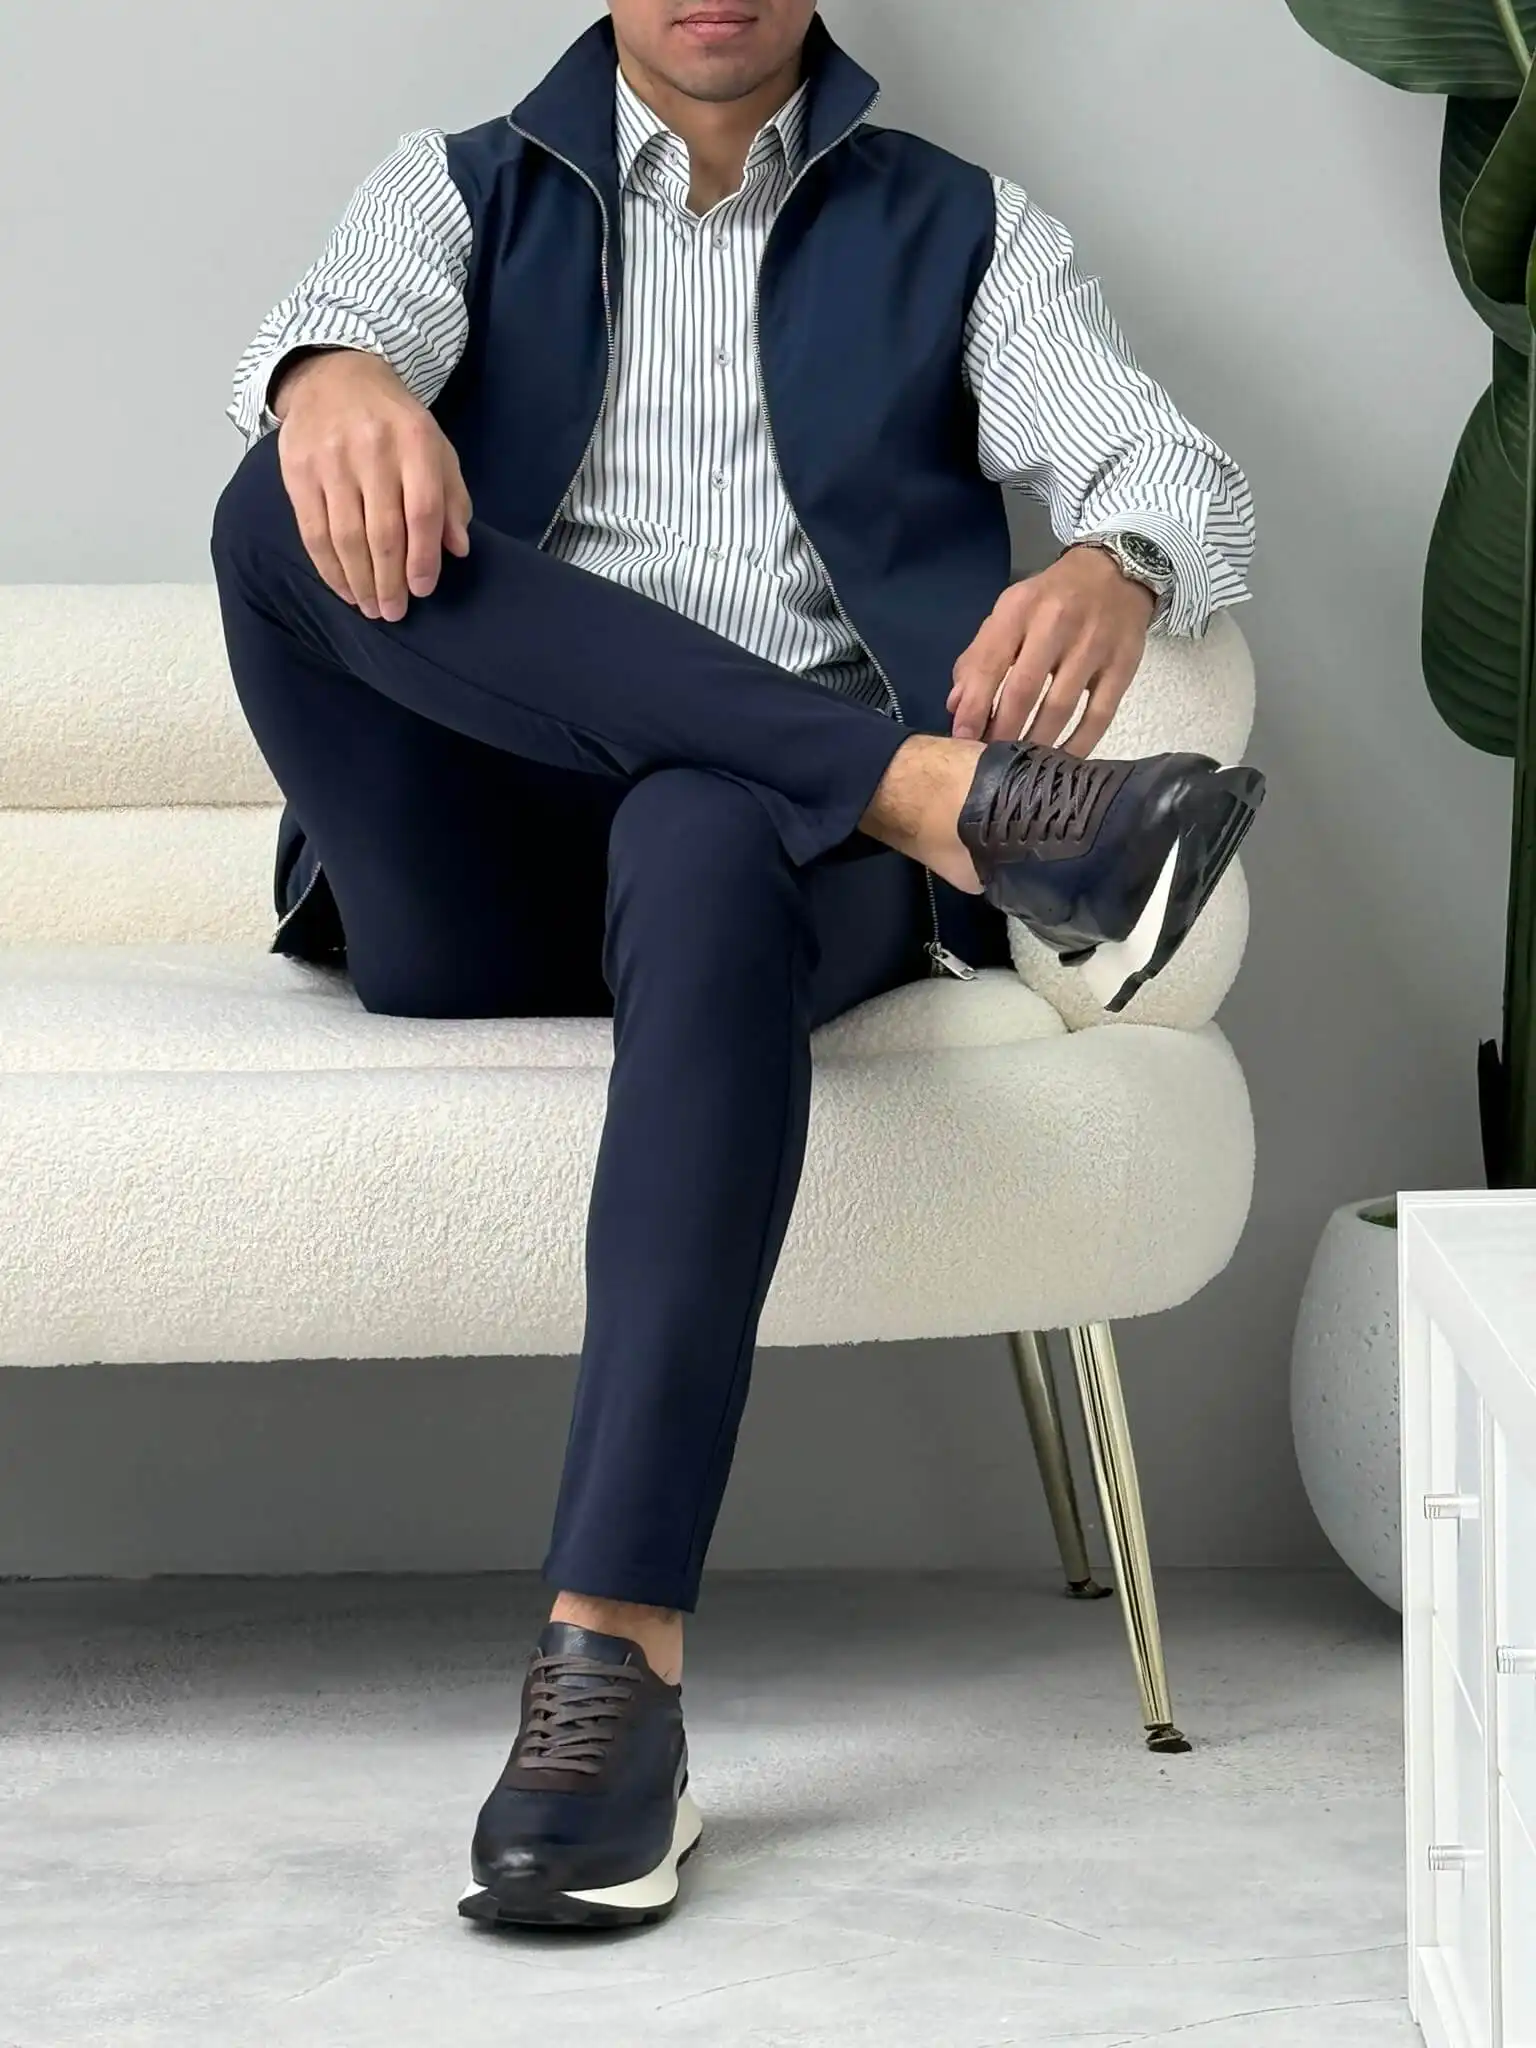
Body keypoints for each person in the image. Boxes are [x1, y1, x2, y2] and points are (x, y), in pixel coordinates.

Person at [210, 0, 1261, 1931]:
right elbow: (341, 346)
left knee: (701, 819)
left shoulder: (962, 229)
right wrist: (332, 378)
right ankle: (953, 802)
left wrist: (1113, 559)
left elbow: (1172, 464)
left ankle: (613, 1681)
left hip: (769, 872)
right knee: (263, 505)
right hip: (480, 860)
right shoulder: (456, 192)